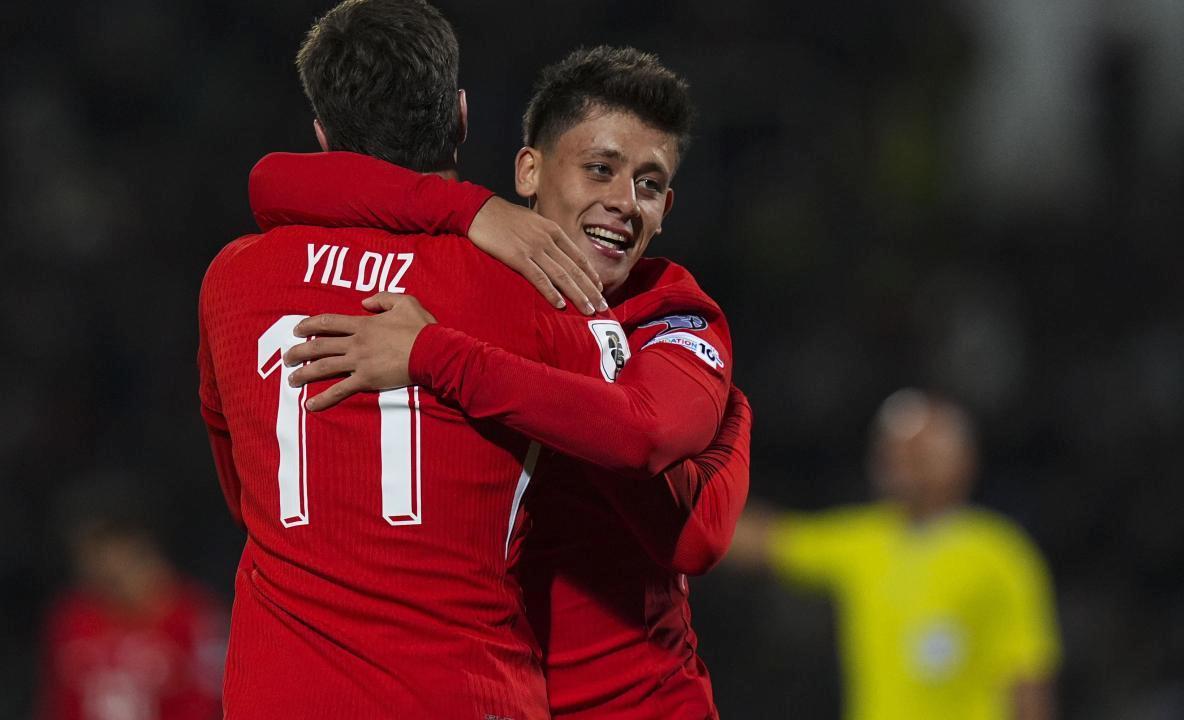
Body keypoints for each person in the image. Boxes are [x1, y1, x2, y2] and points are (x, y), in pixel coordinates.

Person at [257, 47, 751, 718]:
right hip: (489, 695)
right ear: (529, 171)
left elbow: (687, 516)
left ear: (666, 208)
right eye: (600, 169)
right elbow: (274, 183)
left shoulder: (671, 315)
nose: (623, 202)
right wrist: (469, 209)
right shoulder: (473, 280)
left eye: (649, 184)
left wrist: (438, 355)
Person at [197, 3, 626, 717]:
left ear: (322, 133)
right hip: (465, 690)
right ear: (460, 116)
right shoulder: (532, 288)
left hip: (282, 694)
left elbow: (242, 492)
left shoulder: (234, 279)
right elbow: (632, 447)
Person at [727, 389, 1061, 720]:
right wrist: (695, 496)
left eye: (919, 452)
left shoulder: (1000, 556)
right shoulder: (864, 542)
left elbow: (1028, 679)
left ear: (961, 459)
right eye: (892, 452)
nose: (901, 463)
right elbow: (767, 542)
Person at [37, 510, 224, 720]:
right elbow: (56, 701)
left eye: (118, 568)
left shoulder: (194, 616)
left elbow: (213, 699)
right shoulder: (73, 619)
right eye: (99, 571)